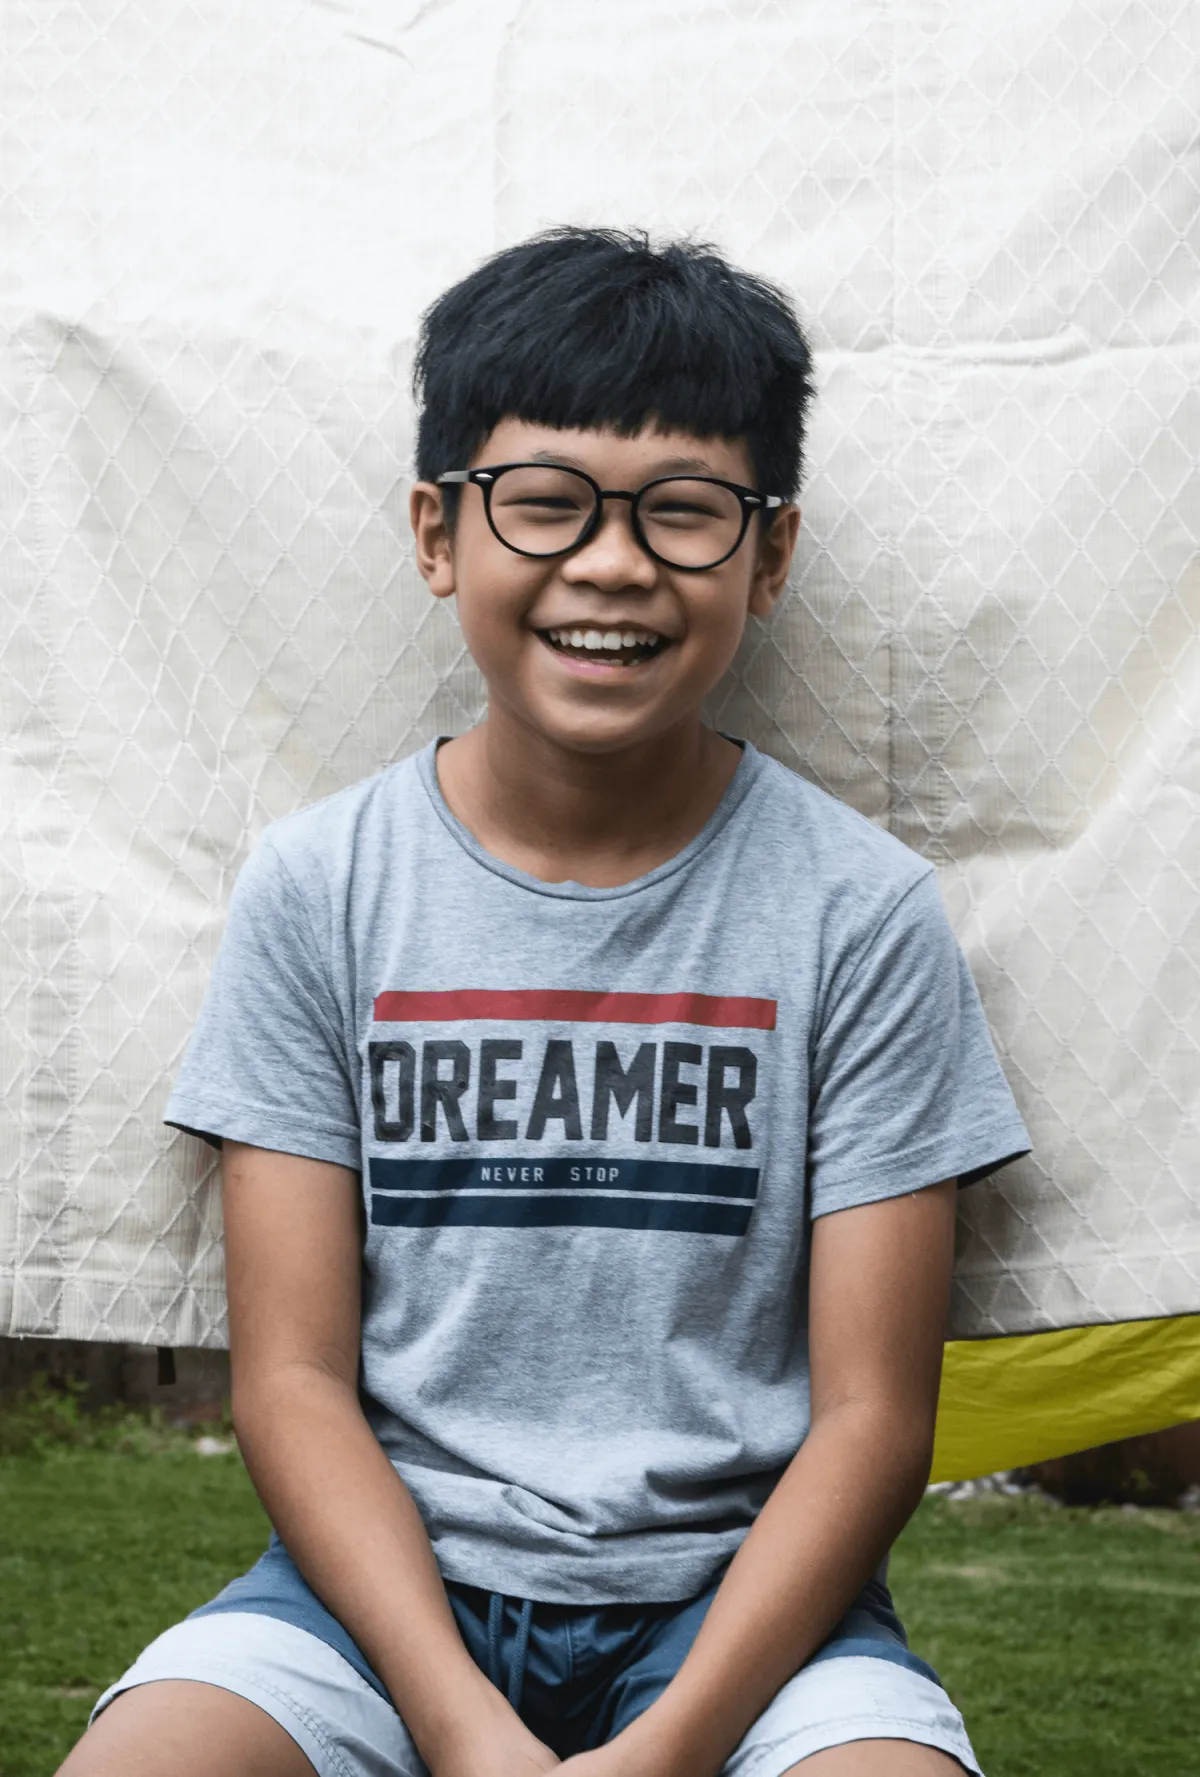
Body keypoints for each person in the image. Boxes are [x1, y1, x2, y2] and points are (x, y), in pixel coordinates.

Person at [60, 227, 1030, 1777]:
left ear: (770, 554)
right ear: (441, 532)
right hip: (375, 1605)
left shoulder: (863, 917)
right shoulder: (320, 889)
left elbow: (871, 1423)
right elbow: (292, 1379)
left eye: (685, 513)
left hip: (749, 1621)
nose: (613, 563)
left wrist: (664, 1752)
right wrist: (459, 1725)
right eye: (548, 502)